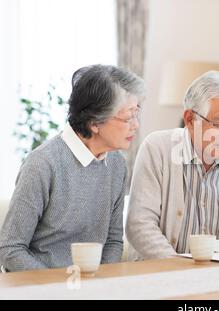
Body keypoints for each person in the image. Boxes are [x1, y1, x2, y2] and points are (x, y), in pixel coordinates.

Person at [0, 64, 145, 271]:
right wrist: (61, 288)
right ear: (95, 122)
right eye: (128, 116)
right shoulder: (43, 164)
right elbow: (11, 249)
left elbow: (113, 241)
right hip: (41, 287)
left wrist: (100, 285)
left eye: (136, 112)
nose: (136, 125)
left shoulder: (117, 165)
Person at [126, 70, 219, 260]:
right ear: (190, 119)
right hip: (162, 274)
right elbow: (140, 224)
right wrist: (177, 266)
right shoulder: (157, 148)